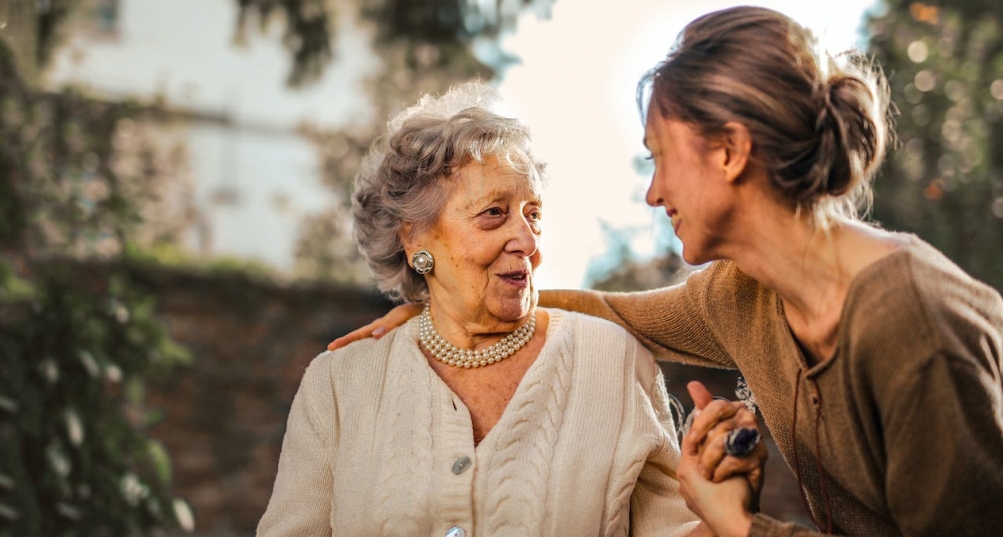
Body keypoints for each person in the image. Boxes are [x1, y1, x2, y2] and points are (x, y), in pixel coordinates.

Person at [327, 6, 1003, 537]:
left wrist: (737, 522)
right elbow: (609, 312)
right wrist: (444, 304)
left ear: (731, 151)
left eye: (658, 156)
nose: (652, 193)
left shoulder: (909, 324)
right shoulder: (742, 293)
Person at [257, 82, 739, 536]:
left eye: (534, 215)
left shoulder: (613, 362)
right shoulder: (339, 385)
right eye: (494, 214)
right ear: (415, 238)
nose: (528, 242)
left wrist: (723, 511)